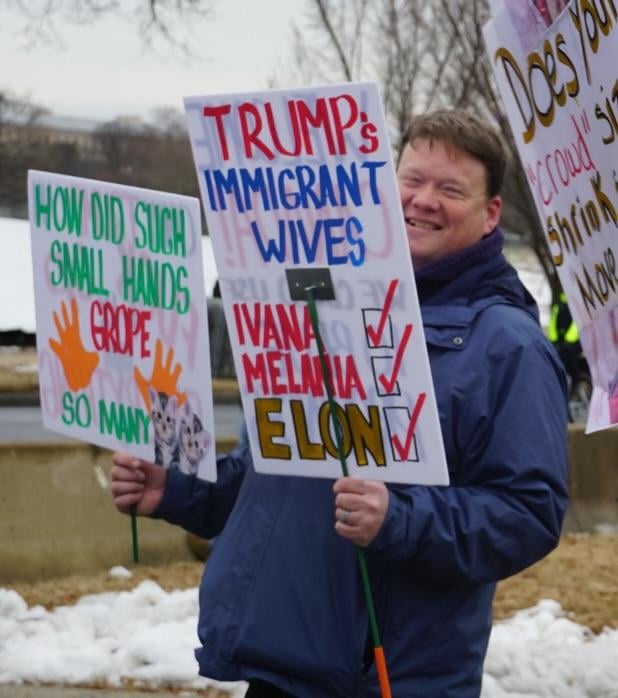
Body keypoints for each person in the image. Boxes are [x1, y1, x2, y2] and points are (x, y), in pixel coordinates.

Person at [111, 109, 569, 697]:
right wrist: (173, 488)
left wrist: (398, 521)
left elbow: (529, 513)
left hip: (387, 678)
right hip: (277, 668)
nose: (424, 200)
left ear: (490, 215)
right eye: (412, 180)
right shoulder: (322, 305)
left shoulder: (509, 344)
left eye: (450, 189)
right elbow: (269, 478)